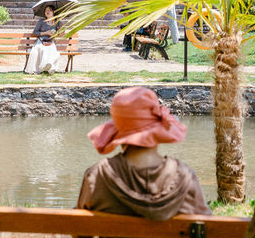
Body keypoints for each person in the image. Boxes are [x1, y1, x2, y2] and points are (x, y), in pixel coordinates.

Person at [77, 86, 210, 222]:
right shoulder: (185, 176)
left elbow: (79, 234)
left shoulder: (97, 176)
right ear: (157, 131)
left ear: (116, 130)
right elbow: (207, 227)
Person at [27, 4, 62, 74]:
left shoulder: (57, 22)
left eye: (49, 10)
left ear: (54, 12)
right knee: (41, 49)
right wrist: (46, 33)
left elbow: (61, 32)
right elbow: (35, 32)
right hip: (41, 41)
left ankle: (50, 68)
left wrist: (58, 30)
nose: (47, 12)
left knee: (53, 51)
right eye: (46, 10)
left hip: (51, 41)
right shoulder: (41, 21)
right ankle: (43, 67)